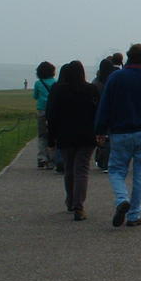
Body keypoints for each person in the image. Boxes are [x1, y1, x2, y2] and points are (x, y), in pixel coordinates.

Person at [95, 43, 141, 227]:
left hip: (121, 130)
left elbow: (105, 105)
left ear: (128, 56)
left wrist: (100, 130)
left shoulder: (116, 77)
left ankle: (122, 198)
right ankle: (134, 214)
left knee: (116, 170)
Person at [46, 60, 100, 221]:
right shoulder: (91, 89)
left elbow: (51, 115)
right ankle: (79, 205)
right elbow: (97, 112)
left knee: (69, 169)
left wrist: (51, 138)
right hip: (86, 135)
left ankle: (70, 200)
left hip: (65, 135)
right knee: (82, 170)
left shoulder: (58, 90)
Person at [92, 59, 116, 172]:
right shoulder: (113, 81)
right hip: (112, 111)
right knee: (109, 138)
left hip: (98, 111)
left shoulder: (96, 83)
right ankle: (107, 161)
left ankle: (101, 160)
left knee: (101, 137)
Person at [33, 61, 57, 169]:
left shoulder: (38, 83)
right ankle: (53, 158)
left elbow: (35, 96)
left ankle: (42, 158)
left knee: (42, 135)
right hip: (53, 110)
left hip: (42, 110)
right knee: (53, 134)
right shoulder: (55, 82)